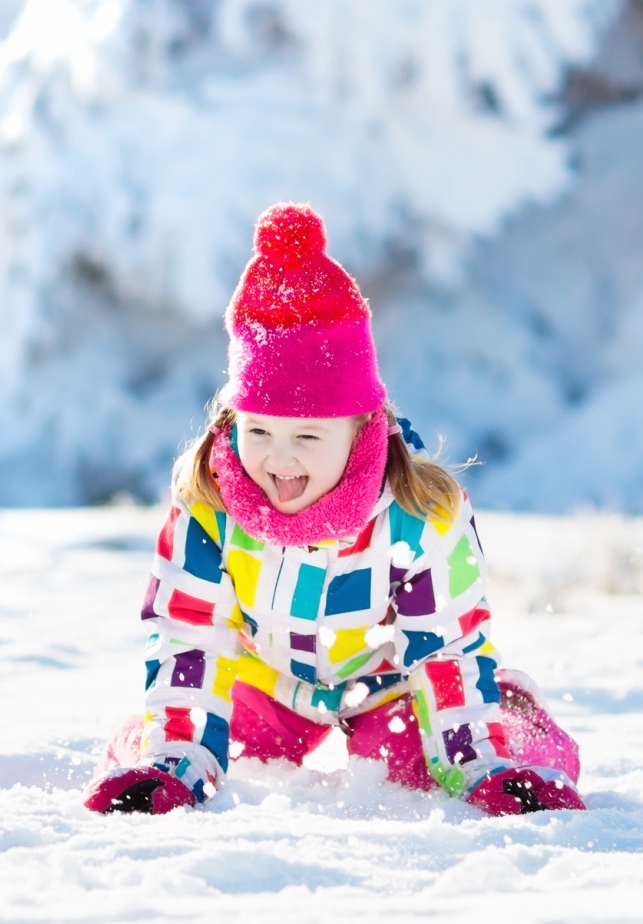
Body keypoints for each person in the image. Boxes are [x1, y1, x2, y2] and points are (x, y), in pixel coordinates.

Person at [83, 203, 584, 817]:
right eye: (258, 430)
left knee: (407, 761)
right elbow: (192, 639)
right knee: (221, 744)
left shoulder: (417, 512)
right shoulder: (211, 503)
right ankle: (154, 757)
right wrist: (176, 764)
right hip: (266, 678)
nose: (277, 459)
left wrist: (482, 766)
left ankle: (511, 732)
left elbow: (444, 649)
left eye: (309, 438)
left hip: (388, 683)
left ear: (361, 430)